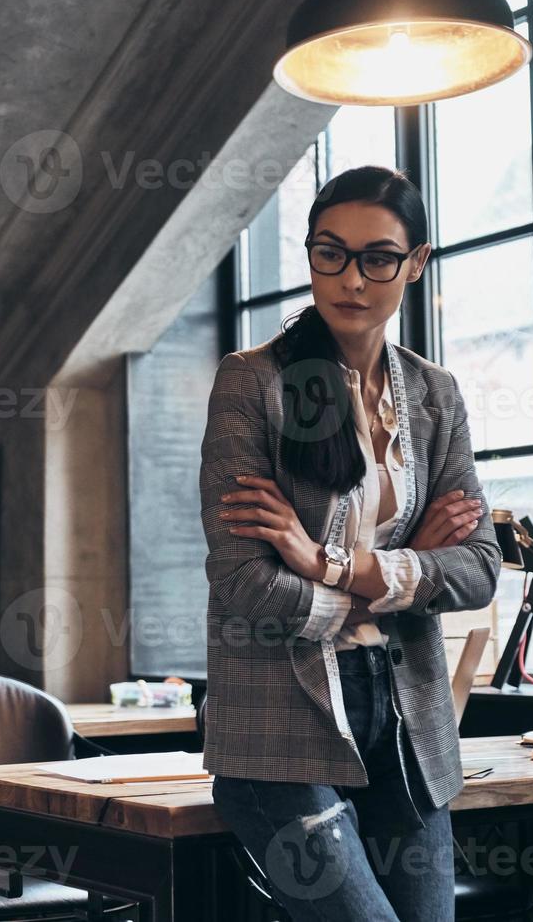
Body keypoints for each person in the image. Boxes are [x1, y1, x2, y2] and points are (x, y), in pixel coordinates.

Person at [200, 165, 501, 920]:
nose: (351, 279)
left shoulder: (436, 396)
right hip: (278, 735)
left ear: (417, 262)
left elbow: (478, 569)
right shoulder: (253, 384)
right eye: (329, 253)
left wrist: (324, 560)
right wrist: (398, 580)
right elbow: (244, 588)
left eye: (378, 258)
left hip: (409, 730)